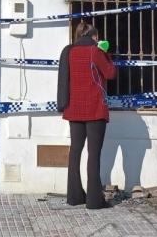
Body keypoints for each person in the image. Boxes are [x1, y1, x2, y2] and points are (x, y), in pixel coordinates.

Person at [57, 21, 116, 209]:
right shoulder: (96, 51)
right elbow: (111, 73)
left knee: (75, 152)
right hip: (95, 109)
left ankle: (74, 197)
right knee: (94, 154)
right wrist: (105, 53)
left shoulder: (69, 51)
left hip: (74, 108)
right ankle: (93, 200)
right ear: (95, 36)